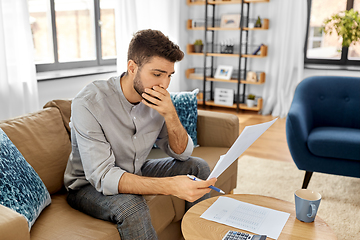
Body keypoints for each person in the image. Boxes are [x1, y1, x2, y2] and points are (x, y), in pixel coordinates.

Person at [64, 29, 216, 240]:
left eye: (169, 75)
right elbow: (103, 176)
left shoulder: (158, 99)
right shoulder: (89, 103)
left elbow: (182, 154)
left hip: (135, 169)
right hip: (87, 186)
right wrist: (171, 185)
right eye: (157, 74)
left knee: (197, 167)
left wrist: (171, 114)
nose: (164, 84)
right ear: (132, 67)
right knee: (132, 207)